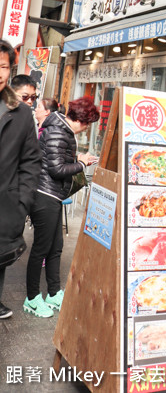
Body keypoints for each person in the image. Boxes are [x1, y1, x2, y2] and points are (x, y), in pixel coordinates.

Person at [24, 96, 99, 318]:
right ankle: (32, 298)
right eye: (87, 124)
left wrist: (77, 157)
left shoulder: (61, 129)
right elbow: (57, 169)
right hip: (44, 195)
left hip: (52, 195)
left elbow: (56, 158)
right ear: (82, 120)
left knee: (55, 247)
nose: (86, 129)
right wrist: (82, 163)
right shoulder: (59, 131)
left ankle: (54, 292)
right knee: (40, 250)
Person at [0, 40, 41, 319]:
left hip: (4, 206)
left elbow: (31, 162)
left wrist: (21, 203)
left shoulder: (21, 113)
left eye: (3, 66)